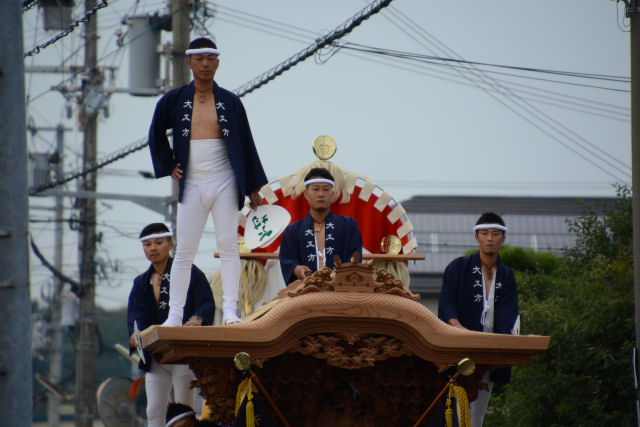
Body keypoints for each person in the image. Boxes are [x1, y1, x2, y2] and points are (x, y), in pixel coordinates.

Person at [148, 37, 267, 325]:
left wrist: (252, 187)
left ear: (217, 63)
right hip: (192, 181)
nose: (205, 64)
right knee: (184, 250)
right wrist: (169, 165)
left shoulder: (230, 101)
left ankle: (230, 310)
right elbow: (155, 132)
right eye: (199, 59)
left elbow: (246, 143)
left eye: (210, 59)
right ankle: (174, 314)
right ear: (189, 62)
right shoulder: (174, 100)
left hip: (225, 178)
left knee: (228, 246)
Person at [127, 223, 215, 427]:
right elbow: (135, 315)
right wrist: (134, 333)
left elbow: (205, 303)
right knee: (153, 411)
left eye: (158, 243)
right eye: (147, 244)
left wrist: (197, 319)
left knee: (185, 409)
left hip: (183, 353)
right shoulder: (141, 283)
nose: (153, 248)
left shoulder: (190, 272)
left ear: (171, 244)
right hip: (155, 355)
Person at [437, 212, 519, 427]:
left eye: (495, 234)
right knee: (452, 408)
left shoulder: (507, 275)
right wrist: (460, 330)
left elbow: (509, 313)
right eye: (484, 233)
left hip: (490, 349)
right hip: (461, 345)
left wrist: (500, 343)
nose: (490, 238)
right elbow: (446, 304)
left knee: (478, 414)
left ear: (503, 238)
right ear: (476, 237)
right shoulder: (458, 267)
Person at [279, 167, 363, 284]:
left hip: (341, 289)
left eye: (325, 189)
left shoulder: (349, 226)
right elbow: (287, 259)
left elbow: (355, 258)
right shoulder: (292, 231)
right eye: (316, 189)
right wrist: (296, 269)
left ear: (332, 194)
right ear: (306, 194)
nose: (321, 194)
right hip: (305, 290)